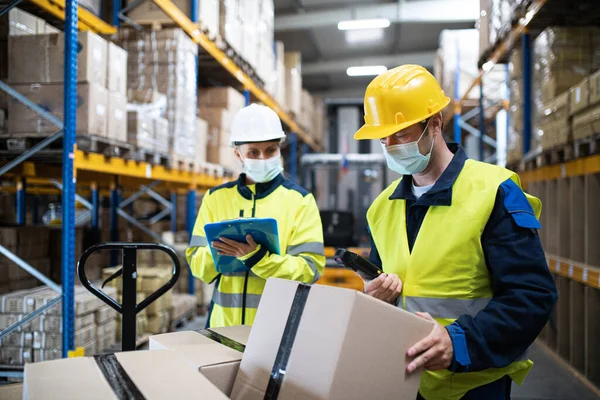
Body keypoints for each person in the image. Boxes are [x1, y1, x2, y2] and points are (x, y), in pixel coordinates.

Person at [354, 65, 558, 400]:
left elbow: (531, 296)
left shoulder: (493, 191)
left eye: (401, 134)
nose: (390, 146)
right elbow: (391, 291)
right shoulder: (381, 208)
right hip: (403, 382)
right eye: (383, 138)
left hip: (473, 384)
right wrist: (376, 296)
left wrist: (457, 341)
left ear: (435, 123)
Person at [185, 103, 326, 328]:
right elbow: (196, 264)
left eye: (270, 150)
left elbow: (310, 269)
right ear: (238, 154)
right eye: (253, 152)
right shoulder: (215, 198)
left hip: (276, 329)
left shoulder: (300, 201)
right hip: (223, 328)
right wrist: (223, 249)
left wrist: (258, 258)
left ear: (279, 149)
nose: (262, 158)